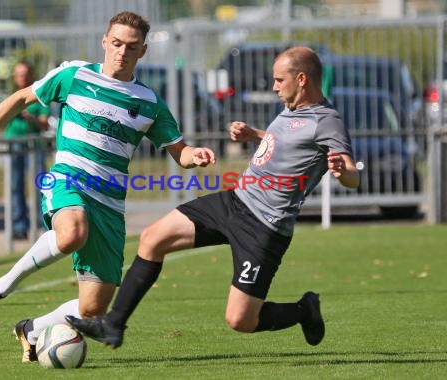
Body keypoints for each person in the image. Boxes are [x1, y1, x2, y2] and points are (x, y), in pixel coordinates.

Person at [0, 11, 215, 363]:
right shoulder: (74, 75)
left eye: (131, 47)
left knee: (92, 311)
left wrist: (193, 155)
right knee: (72, 232)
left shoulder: (150, 102)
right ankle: (2, 286)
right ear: (105, 42)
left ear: (143, 52)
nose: (122, 52)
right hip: (67, 178)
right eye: (117, 43)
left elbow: (179, 153)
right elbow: (19, 99)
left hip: (110, 204)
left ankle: (31, 328)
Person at [66, 46, 361, 349]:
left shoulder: (327, 120)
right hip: (234, 201)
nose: (273, 86)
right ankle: (113, 325)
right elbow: (291, 140)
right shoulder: (293, 108)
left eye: (278, 80)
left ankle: (303, 310)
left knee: (241, 320)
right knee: (153, 239)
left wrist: (342, 170)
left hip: (264, 228)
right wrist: (256, 135)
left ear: (301, 79)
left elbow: (352, 175)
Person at [6, 61, 51, 240]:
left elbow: (44, 123)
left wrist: (29, 117)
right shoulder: (11, 96)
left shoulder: (38, 96)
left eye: (25, 73)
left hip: (34, 147)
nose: (22, 77)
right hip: (13, 145)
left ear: (31, 75)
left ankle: (44, 224)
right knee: (15, 186)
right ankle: (20, 226)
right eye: (19, 74)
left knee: (42, 186)